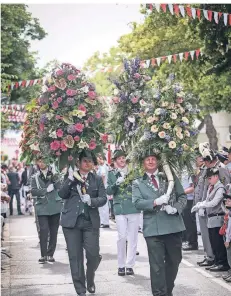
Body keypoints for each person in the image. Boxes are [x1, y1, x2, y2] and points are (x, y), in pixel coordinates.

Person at [132, 152, 186, 296]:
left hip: (173, 226)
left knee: (174, 262)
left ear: (158, 161)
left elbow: (182, 196)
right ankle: (159, 294)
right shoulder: (138, 182)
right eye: (147, 158)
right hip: (153, 229)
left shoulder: (169, 177)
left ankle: (167, 291)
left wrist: (175, 209)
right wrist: (155, 202)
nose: (150, 161)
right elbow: (137, 203)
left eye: (153, 159)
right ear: (143, 162)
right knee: (156, 267)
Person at [59, 150, 107, 296]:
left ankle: (90, 276)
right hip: (71, 223)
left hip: (89, 221)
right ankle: (80, 290)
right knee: (75, 257)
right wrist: (70, 179)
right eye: (85, 161)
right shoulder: (70, 177)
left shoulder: (96, 179)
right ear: (78, 162)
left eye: (90, 161)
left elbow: (103, 198)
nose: (88, 163)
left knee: (93, 255)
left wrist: (91, 201)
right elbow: (62, 194)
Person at [107, 150, 140, 276]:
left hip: (132, 207)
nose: (122, 160)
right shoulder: (111, 174)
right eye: (119, 159)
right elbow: (108, 191)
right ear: (114, 161)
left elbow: (139, 188)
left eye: (123, 158)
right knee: (122, 237)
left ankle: (130, 265)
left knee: (133, 237)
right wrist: (116, 183)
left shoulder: (134, 172)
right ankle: (121, 265)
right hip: (120, 208)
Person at [192, 168, 229, 271]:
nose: (209, 180)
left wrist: (202, 205)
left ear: (216, 177)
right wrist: (202, 204)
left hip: (217, 216)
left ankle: (222, 263)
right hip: (211, 217)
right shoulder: (211, 187)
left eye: (210, 178)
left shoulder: (220, 188)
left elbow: (214, 202)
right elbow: (208, 199)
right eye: (208, 178)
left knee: (218, 242)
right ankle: (216, 261)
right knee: (213, 242)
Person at [31, 156, 62, 263]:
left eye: (44, 160)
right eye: (39, 161)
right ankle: (43, 254)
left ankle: (50, 254)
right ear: (37, 163)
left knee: (54, 231)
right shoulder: (34, 177)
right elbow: (33, 191)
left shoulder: (54, 174)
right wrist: (45, 190)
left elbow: (59, 186)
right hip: (42, 207)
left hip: (55, 206)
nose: (42, 162)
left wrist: (54, 176)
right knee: (43, 230)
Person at [181, 169, 198, 251]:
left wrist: (181, 192)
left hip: (189, 199)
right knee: (185, 221)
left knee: (190, 222)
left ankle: (192, 243)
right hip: (183, 199)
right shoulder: (181, 170)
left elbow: (193, 187)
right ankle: (185, 240)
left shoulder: (189, 170)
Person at [96, 153, 110, 228]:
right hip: (104, 187)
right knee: (103, 205)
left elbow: (103, 176)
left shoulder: (103, 167)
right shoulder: (103, 166)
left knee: (103, 205)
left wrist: (101, 186)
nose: (98, 159)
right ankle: (104, 221)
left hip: (103, 187)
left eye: (99, 158)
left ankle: (105, 222)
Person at [221, 184, 231, 282]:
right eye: (226, 200)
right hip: (228, 237)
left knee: (230, 257)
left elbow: (229, 229)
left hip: (229, 239)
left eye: (229, 201)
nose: (226, 202)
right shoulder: (228, 213)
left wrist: (227, 240)